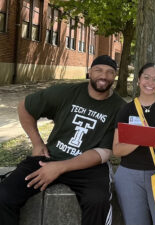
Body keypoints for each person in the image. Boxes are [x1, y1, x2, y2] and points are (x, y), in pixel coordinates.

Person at [0, 55, 126, 225]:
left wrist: (59, 168)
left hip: (89, 166)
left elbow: (103, 153)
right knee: (4, 194)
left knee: (97, 201)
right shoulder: (67, 92)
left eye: (110, 72)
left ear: (115, 76)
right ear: (89, 72)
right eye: (98, 70)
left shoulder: (119, 108)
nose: (104, 76)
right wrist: (37, 142)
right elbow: (25, 106)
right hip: (51, 156)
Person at [112, 63, 155, 225]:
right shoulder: (126, 110)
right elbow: (116, 150)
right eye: (146, 78)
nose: (150, 83)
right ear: (138, 80)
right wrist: (140, 138)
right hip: (129, 176)